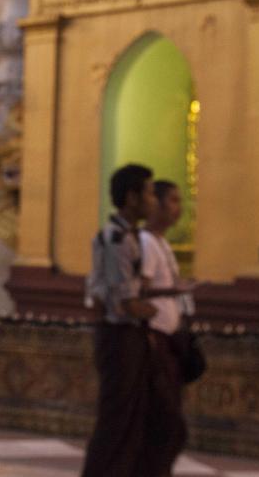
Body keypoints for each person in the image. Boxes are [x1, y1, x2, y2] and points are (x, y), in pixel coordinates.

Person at [81, 163, 168, 477]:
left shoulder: (131, 237)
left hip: (127, 336)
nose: (153, 201)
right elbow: (124, 301)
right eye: (148, 193)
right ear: (132, 198)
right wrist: (150, 309)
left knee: (133, 417)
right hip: (119, 337)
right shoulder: (116, 238)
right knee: (116, 419)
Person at [137, 179, 195, 475]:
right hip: (155, 340)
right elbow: (139, 292)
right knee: (166, 422)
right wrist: (172, 293)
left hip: (170, 341)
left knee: (171, 425)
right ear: (154, 205)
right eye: (173, 200)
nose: (179, 208)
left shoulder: (161, 242)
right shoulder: (146, 243)